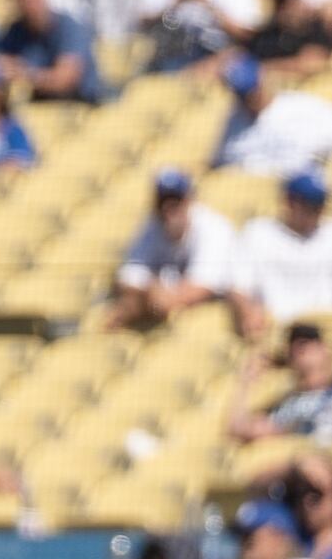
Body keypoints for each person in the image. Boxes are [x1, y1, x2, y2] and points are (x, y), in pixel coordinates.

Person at [110, 168, 235, 330]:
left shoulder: (214, 228)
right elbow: (128, 278)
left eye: (176, 201)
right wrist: (149, 296)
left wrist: (147, 296)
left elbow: (201, 288)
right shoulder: (152, 225)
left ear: (189, 200)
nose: (169, 208)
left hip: (218, 311)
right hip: (162, 305)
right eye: (163, 201)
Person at [231, 171, 332, 335]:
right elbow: (238, 286)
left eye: (319, 204)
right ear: (289, 202)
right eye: (309, 204)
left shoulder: (329, 233)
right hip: (278, 329)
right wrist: (248, 311)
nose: (316, 210)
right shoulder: (258, 233)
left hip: (325, 327)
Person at [0, 0, 102, 103]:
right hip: (40, 107)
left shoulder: (70, 28)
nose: (29, 3)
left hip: (80, 107)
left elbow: (65, 80)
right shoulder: (15, 31)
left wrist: (23, 73)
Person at [215, 54, 332, 180]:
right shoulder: (233, 123)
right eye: (242, 95)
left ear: (262, 79)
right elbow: (223, 165)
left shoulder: (303, 107)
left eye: (253, 90)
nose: (250, 98)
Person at [228, 324, 332, 446]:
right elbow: (240, 429)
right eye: (293, 347)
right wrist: (245, 383)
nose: (300, 350)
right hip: (306, 454)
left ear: (323, 348)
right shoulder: (289, 405)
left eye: (305, 343)